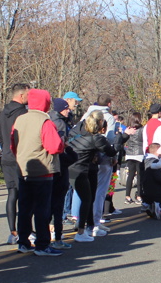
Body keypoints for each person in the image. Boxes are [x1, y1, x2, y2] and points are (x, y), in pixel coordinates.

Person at [12, 89, 65, 256]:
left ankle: (23, 242)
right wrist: (62, 143)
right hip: (43, 170)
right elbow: (54, 146)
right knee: (42, 209)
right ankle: (42, 244)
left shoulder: (20, 119)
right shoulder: (45, 121)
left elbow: (13, 144)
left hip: (23, 168)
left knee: (25, 208)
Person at [67, 110, 115, 242]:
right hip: (81, 169)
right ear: (100, 122)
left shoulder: (77, 129)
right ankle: (81, 231)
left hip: (72, 166)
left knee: (87, 198)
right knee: (87, 200)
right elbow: (111, 151)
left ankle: (88, 227)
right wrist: (122, 138)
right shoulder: (96, 138)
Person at [0, 83, 29, 245]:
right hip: (19, 157)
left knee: (12, 194)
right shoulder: (23, 113)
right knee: (24, 195)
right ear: (21, 95)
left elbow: (1, 137)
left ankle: (13, 231)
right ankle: (26, 231)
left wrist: (5, 150)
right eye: (28, 94)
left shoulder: (3, 113)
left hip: (6, 157)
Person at [49, 98, 75, 250]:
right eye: (66, 108)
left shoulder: (54, 120)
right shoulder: (58, 123)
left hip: (53, 165)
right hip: (59, 165)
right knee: (57, 202)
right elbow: (61, 146)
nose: (68, 110)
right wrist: (69, 152)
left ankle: (52, 231)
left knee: (52, 201)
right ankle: (55, 233)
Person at [120, 112, 145, 203]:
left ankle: (127, 196)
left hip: (130, 153)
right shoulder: (142, 129)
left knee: (130, 175)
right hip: (139, 153)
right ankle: (139, 196)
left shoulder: (128, 129)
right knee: (139, 176)